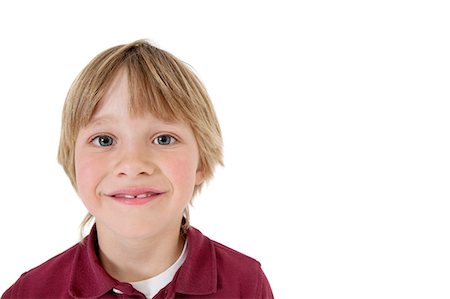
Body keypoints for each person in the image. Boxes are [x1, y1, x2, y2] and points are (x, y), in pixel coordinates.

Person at [2, 40, 274, 299]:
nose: (133, 165)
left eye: (163, 139)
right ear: (73, 161)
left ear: (200, 163)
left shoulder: (246, 284)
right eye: (104, 140)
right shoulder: (30, 292)